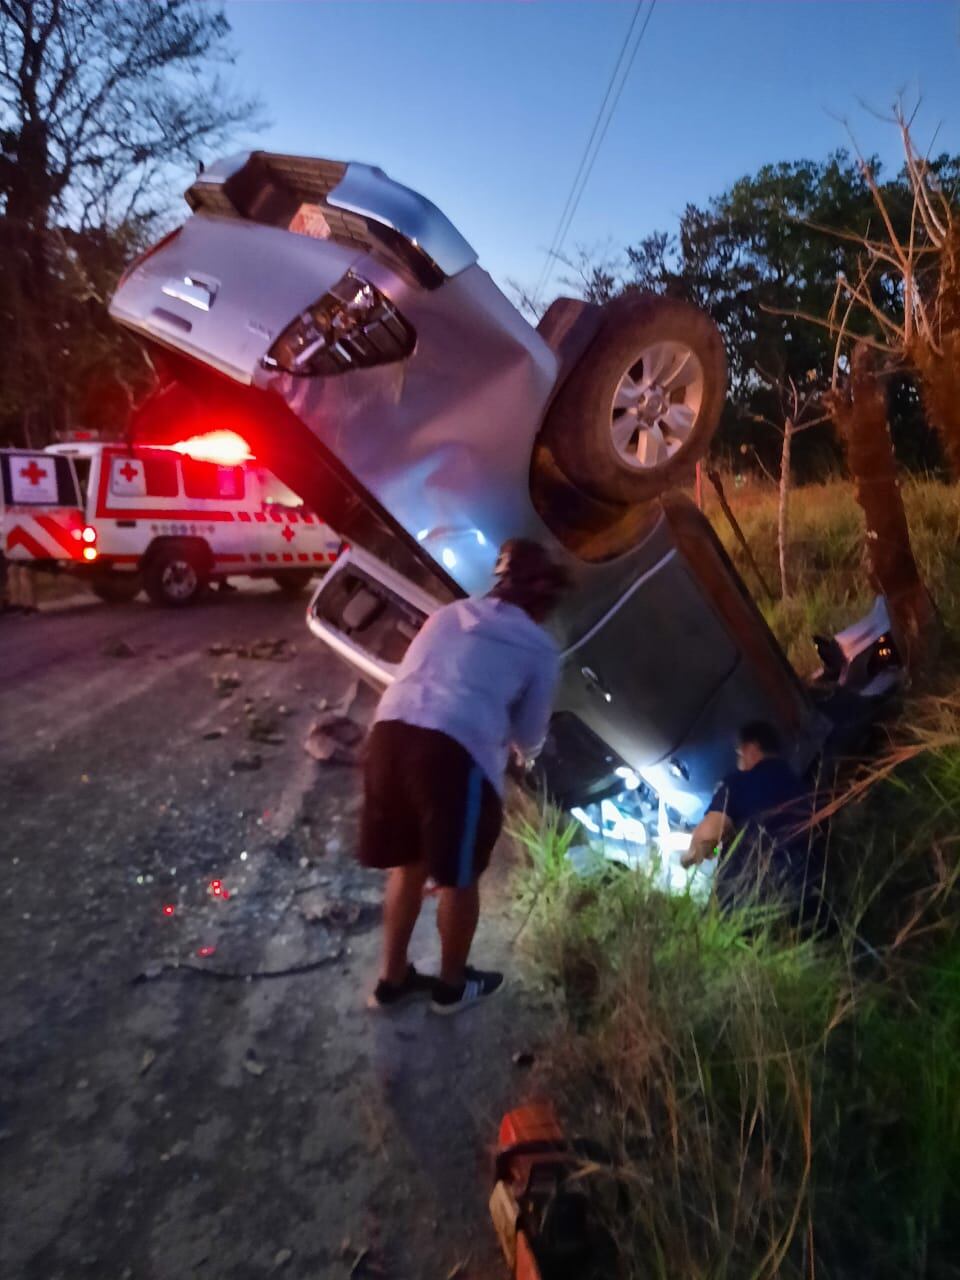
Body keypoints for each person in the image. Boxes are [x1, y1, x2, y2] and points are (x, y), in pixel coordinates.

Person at [359, 538, 571, 1015]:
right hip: (451, 754)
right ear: (544, 599)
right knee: (459, 877)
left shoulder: (447, 614)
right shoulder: (539, 647)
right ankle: (452, 989)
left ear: (499, 583)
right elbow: (530, 734)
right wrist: (526, 757)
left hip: (387, 738)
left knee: (408, 864)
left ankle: (391, 982)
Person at [682, 720, 819, 912]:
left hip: (747, 902)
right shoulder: (803, 789)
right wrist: (714, 851)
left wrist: (690, 858)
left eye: (739, 754)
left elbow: (709, 837)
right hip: (803, 901)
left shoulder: (739, 782)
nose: (739, 762)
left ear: (751, 748)